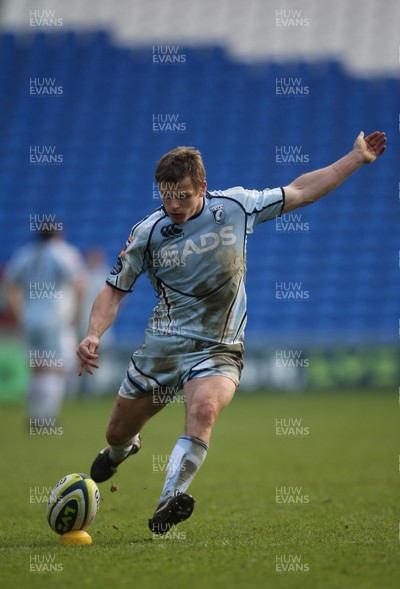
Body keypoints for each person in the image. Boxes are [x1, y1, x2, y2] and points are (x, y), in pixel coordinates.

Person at [77, 131, 386, 535]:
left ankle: (168, 499)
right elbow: (113, 291)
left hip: (219, 346)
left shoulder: (236, 206)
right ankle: (121, 451)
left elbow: (300, 191)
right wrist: (93, 333)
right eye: (166, 195)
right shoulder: (147, 232)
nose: (173, 205)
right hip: (163, 347)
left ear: (202, 187)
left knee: (203, 411)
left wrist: (355, 158)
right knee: (117, 431)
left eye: (183, 196)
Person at [5, 227, 85, 424]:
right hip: (55, 319)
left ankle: (33, 414)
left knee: (37, 366)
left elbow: (10, 287)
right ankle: (46, 417)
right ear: (58, 235)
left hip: (31, 318)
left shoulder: (24, 254)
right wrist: (77, 314)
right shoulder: (64, 252)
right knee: (55, 366)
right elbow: (79, 283)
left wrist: (19, 313)